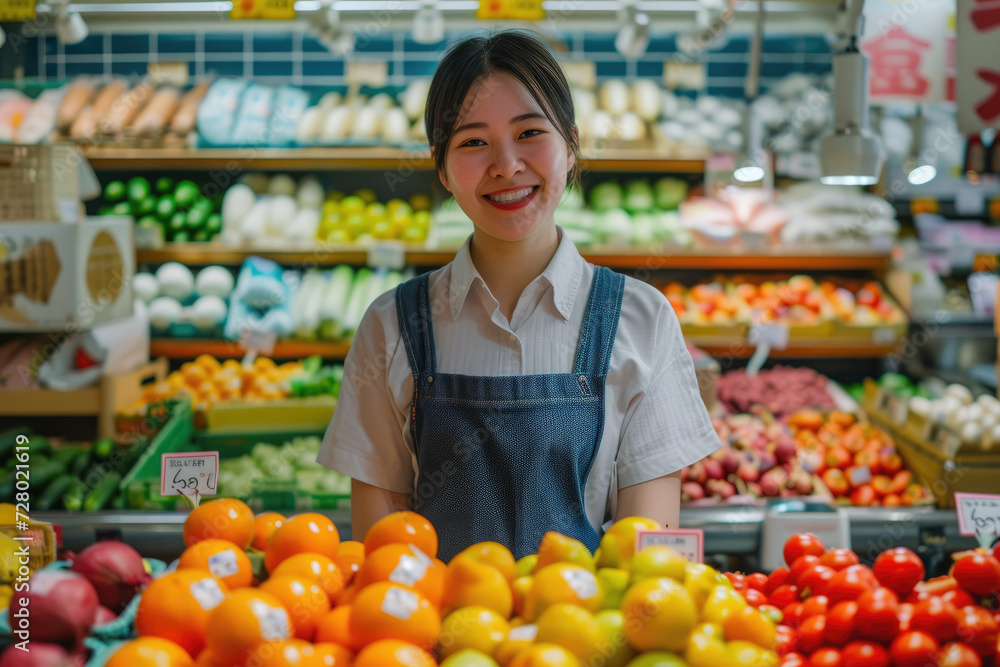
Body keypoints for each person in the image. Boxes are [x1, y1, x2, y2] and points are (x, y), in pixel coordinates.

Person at [318, 30, 720, 561]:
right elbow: (384, 553)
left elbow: (646, 558)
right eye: (473, 142)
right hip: (428, 638)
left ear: (570, 145)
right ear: (441, 167)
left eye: (530, 132)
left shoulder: (640, 320)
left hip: (580, 635)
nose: (506, 165)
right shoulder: (391, 325)